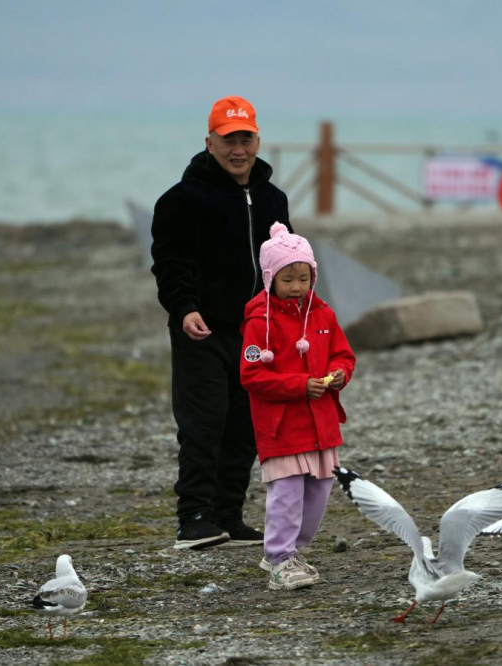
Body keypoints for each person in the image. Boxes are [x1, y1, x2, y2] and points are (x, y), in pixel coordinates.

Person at [151, 96, 290, 550]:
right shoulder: (181, 199)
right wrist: (184, 307)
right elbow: (170, 263)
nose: (238, 149)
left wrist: (290, 314)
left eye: (245, 138)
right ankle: (193, 517)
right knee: (203, 422)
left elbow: (283, 263)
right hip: (202, 329)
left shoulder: (273, 198)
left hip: (255, 332)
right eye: (228, 139)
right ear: (209, 142)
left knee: (246, 425)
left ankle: (228, 515)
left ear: (257, 140)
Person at [240, 222, 356, 590]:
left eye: (303, 278)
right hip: (281, 427)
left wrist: (338, 373)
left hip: (322, 425)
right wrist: (298, 386)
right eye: (288, 279)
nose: (296, 286)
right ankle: (279, 559)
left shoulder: (323, 315)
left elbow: (344, 355)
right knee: (287, 496)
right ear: (270, 277)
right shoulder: (260, 322)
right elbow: (251, 375)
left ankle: (289, 550)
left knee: (317, 497)